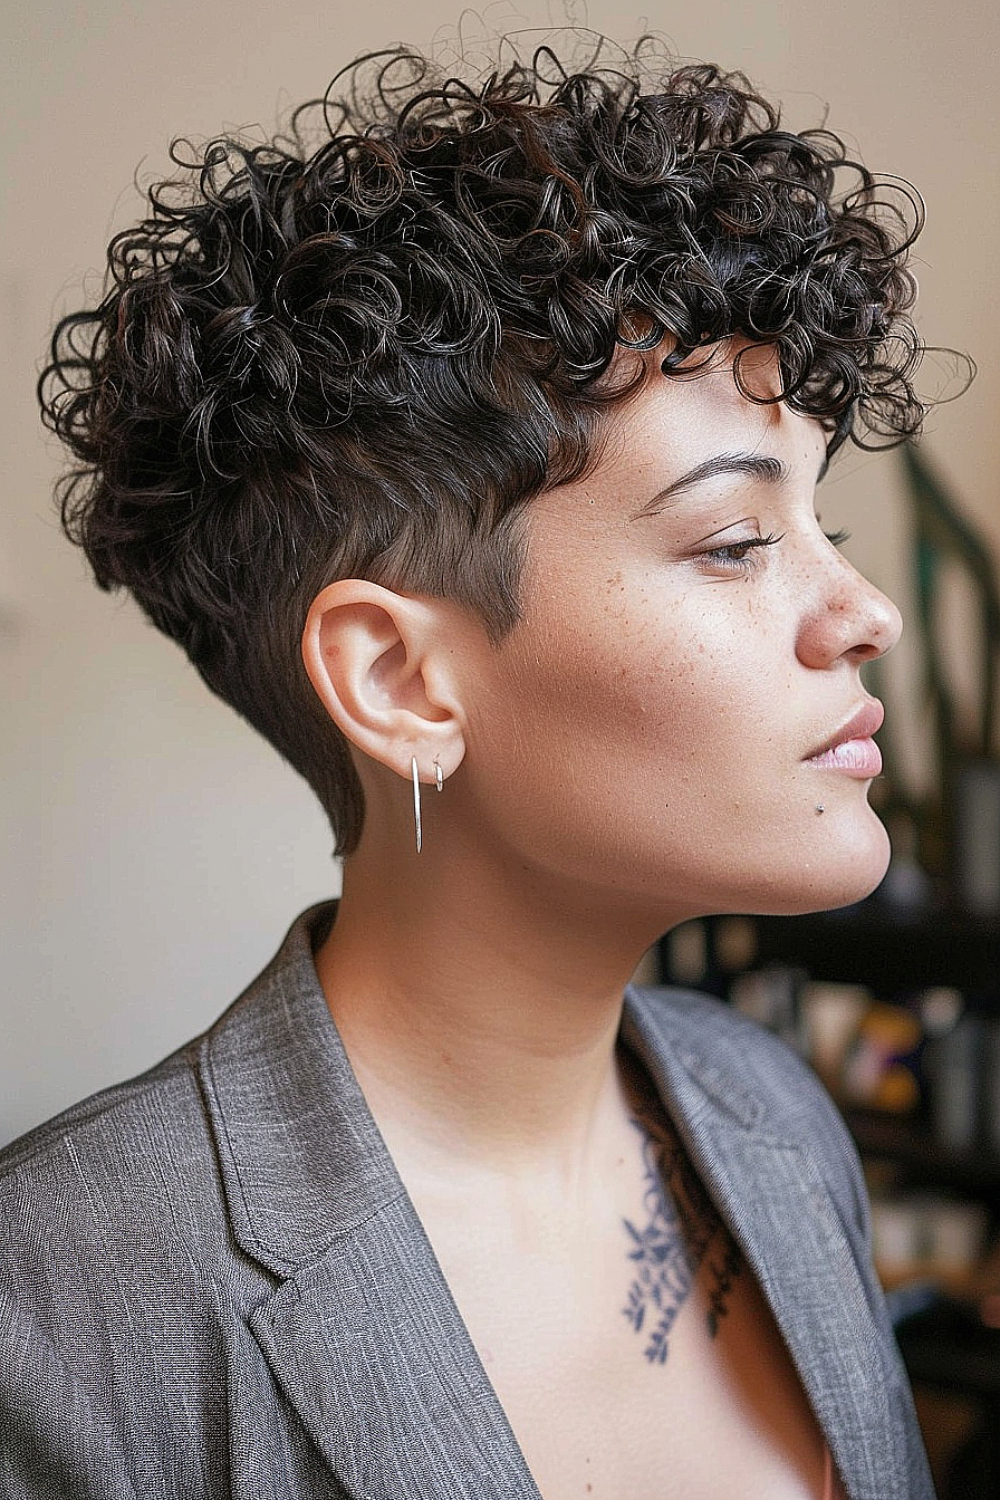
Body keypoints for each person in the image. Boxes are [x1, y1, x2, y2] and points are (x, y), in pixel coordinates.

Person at [1, 34, 941, 1500]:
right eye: (738, 542)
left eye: (822, 523)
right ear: (399, 681)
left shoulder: (771, 1115)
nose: (867, 612)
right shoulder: (53, 1311)